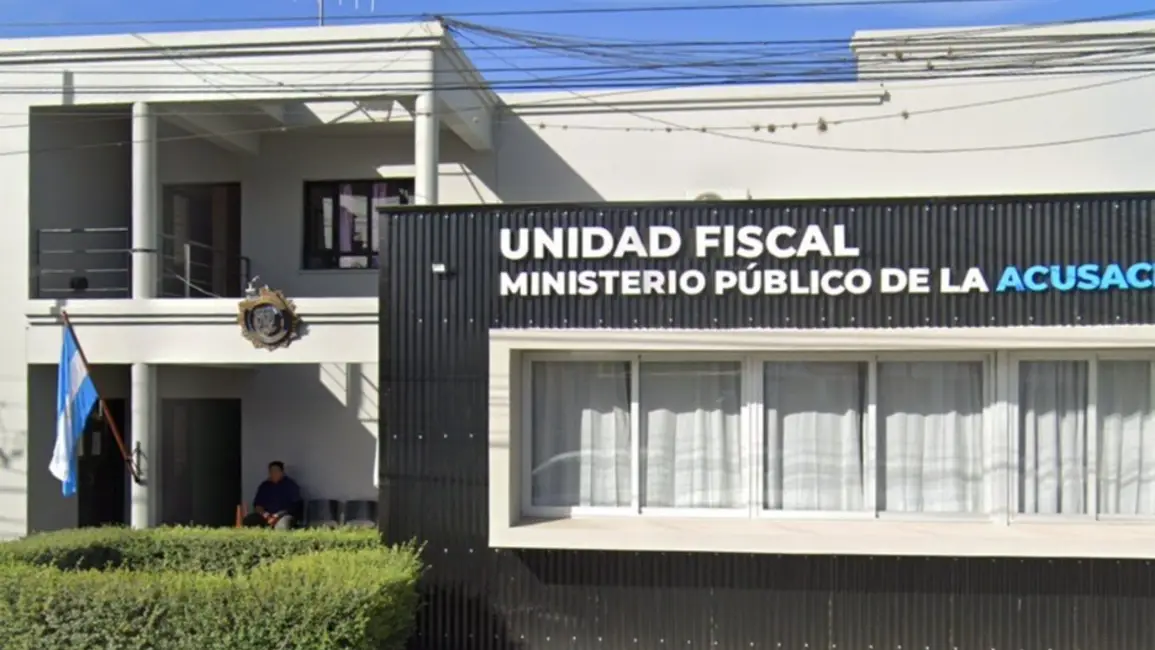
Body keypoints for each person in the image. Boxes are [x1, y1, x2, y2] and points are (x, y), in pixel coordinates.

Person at [241, 461, 301, 530]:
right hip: (266, 516)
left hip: (283, 516)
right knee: (249, 520)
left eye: (276, 471)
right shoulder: (264, 486)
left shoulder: (291, 485)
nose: (273, 473)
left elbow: (294, 506)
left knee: (283, 525)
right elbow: (258, 504)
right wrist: (265, 514)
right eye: (271, 471)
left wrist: (277, 515)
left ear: (282, 472)